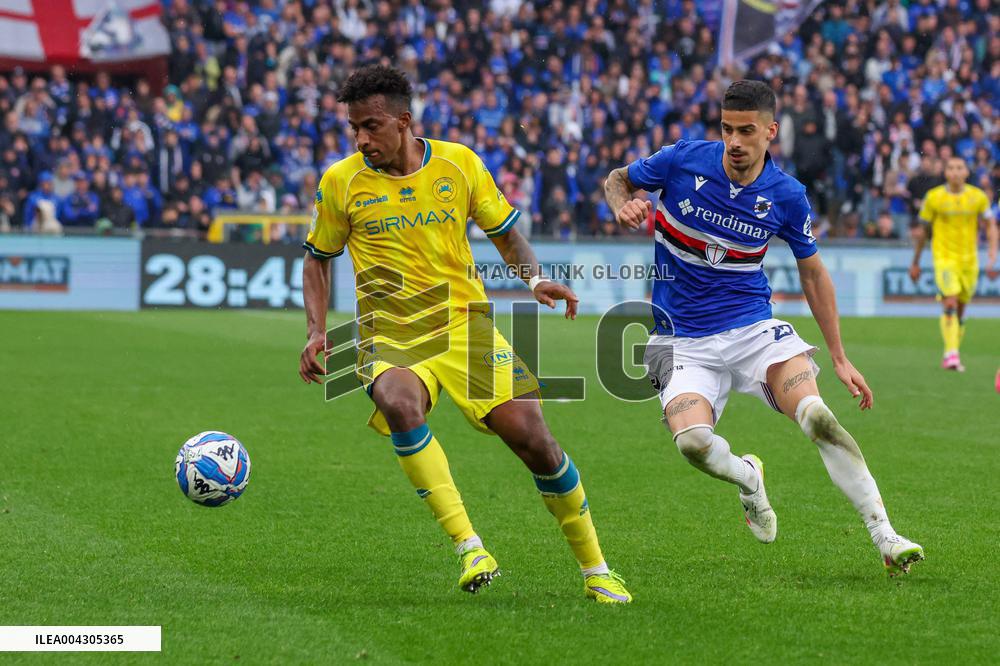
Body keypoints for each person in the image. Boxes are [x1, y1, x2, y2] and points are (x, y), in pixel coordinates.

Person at [298, 65, 631, 603]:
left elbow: (505, 235)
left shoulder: (459, 164)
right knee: (401, 403)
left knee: (537, 444)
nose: (361, 138)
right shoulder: (341, 181)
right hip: (390, 333)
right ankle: (469, 546)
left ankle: (597, 571)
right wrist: (316, 330)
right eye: (354, 128)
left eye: (372, 126)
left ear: (404, 121)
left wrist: (537, 278)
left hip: (465, 328)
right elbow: (317, 260)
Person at [604, 80, 924, 576]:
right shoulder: (681, 160)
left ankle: (885, 535)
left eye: (747, 131)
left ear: (771, 132)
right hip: (680, 340)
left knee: (818, 416)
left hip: (753, 332)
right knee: (692, 444)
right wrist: (621, 203)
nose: (734, 141)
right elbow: (617, 179)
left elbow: (813, 272)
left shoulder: (787, 196)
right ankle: (748, 477)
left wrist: (838, 357)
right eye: (728, 129)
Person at [909, 157, 997, 372]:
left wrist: (993, 253)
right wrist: (916, 261)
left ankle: (952, 350)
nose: (955, 172)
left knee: (960, 308)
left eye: (959, 168)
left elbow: (990, 225)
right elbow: (923, 233)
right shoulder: (934, 197)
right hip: (945, 258)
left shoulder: (977, 197)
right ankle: (951, 354)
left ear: (966, 172)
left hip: (969, 260)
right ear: (945, 172)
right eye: (951, 168)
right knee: (949, 301)